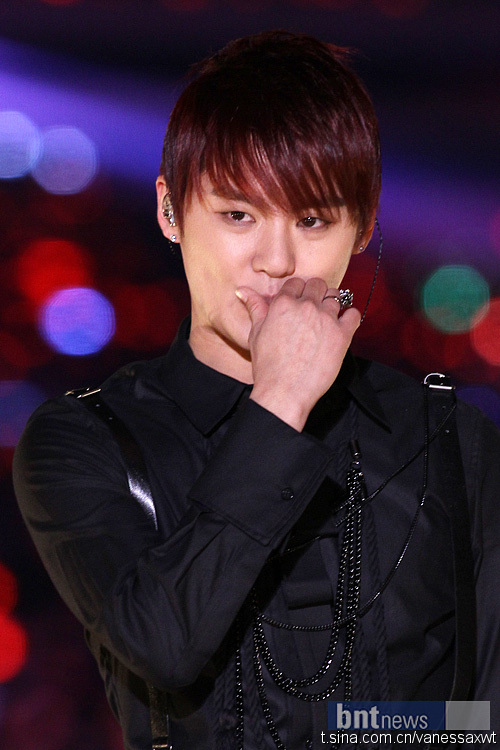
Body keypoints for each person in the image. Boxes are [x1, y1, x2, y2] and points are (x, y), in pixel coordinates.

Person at [13, 30, 500, 750]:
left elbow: (482, 720)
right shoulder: (87, 444)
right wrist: (281, 402)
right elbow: (161, 646)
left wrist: (356, 730)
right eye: (238, 215)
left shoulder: (448, 439)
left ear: (363, 226)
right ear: (170, 211)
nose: (276, 260)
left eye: (311, 219)